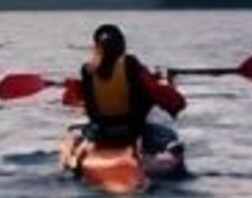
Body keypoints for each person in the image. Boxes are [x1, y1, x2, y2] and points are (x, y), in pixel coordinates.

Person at [64, 24, 185, 156]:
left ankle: (81, 152)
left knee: (80, 131)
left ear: (97, 47)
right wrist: (176, 102)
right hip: (133, 131)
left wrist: (73, 86)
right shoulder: (131, 65)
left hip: (102, 132)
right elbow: (171, 99)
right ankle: (167, 149)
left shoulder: (88, 71)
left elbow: (70, 99)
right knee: (167, 134)